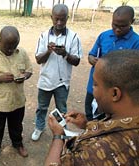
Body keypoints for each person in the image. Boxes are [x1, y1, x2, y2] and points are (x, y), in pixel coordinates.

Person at [45, 49, 139, 166]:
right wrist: (88, 124)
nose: (92, 89)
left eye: (95, 84)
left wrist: (58, 136)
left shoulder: (99, 153)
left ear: (115, 94)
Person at [0, 26, 32, 165]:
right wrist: (0, 78)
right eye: (7, 47)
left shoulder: (22, 53)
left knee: (17, 126)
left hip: (17, 101)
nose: (10, 50)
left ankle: (18, 144)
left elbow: (29, 71)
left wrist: (24, 76)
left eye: (14, 46)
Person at [31, 4, 83, 141]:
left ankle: (62, 130)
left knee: (62, 109)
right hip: (46, 80)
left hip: (62, 82)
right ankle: (39, 127)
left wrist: (65, 53)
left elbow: (76, 61)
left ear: (67, 18)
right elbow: (38, 59)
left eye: (62, 19)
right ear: (51, 18)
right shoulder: (43, 36)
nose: (59, 23)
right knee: (42, 108)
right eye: (56, 19)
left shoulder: (74, 37)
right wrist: (49, 51)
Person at [85, 5, 139, 121]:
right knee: (90, 115)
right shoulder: (104, 36)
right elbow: (91, 55)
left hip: (115, 94)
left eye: (123, 26)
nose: (118, 29)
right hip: (95, 87)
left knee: (108, 120)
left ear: (132, 22)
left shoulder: (136, 42)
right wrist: (92, 59)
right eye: (115, 25)